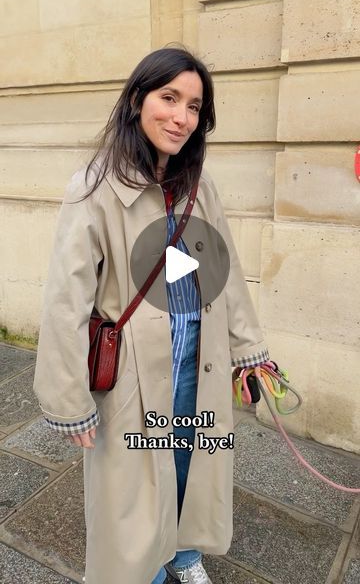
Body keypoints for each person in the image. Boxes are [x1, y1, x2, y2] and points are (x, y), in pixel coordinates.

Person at [33, 46, 270, 584]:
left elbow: (222, 272)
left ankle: (185, 554)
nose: (181, 117)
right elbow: (65, 300)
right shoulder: (93, 188)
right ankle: (145, 569)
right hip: (133, 371)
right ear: (138, 99)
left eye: (193, 106)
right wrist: (67, 398)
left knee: (189, 460)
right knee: (133, 486)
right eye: (169, 98)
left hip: (197, 360)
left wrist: (249, 350)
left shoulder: (198, 186)